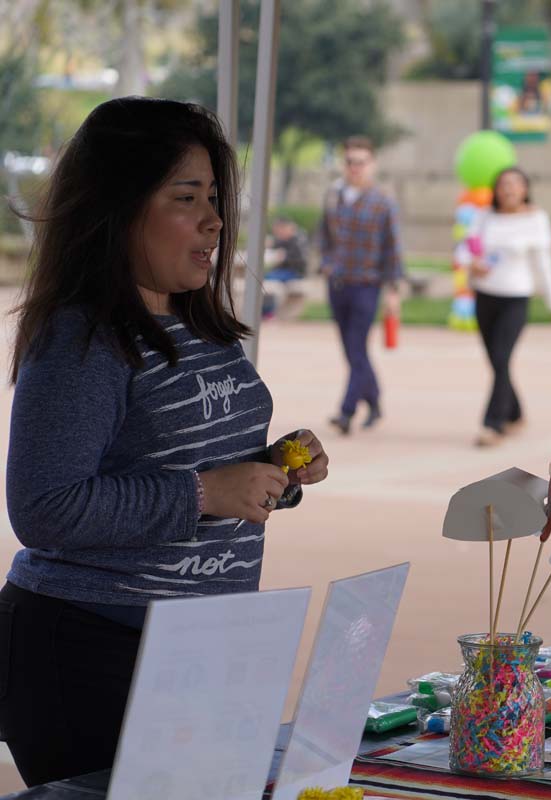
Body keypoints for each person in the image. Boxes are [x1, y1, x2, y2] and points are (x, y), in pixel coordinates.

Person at [0, 97, 331, 788]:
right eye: (186, 197)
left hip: (199, 648)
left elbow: (192, 472)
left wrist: (272, 473)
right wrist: (207, 492)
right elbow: (44, 506)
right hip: (89, 648)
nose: (214, 219)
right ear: (119, 208)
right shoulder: (83, 339)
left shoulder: (197, 324)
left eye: (214, 196)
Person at [467, 167, 551, 447]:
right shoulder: (484, 217)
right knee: (497, 361)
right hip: (485, 295)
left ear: (525, 189)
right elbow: (468, 247)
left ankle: (493, 424)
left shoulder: (536, 219)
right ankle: (516, 412)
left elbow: (544, 265)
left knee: (501, 357)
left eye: (515, 184)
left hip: (516, 297)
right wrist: (472, 264)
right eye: (503, 184)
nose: (508, 189)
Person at [317, 135, 403, 435]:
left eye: (361, 162)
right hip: (337, 283)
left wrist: (393, 290)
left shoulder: (383, 203)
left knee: (356, 347)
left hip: (367, 285)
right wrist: (326, 264)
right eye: (350, 162)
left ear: (372, 164)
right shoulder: (334, 196)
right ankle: (375, 399)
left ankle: (346, 411)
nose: (355, 168)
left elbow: (393, 249)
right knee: (352, 350)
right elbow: (323, 237)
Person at [262, 215, 309, 319]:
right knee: (266, 279)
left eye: (280, 229)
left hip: (295, 272)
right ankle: (265, 311)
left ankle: (268, 312)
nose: (278, 233)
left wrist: (285, 257)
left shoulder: (298, 239)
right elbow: (275, 246)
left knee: (268, 281)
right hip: (284, 270)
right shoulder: (285, 239)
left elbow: (300, 259)